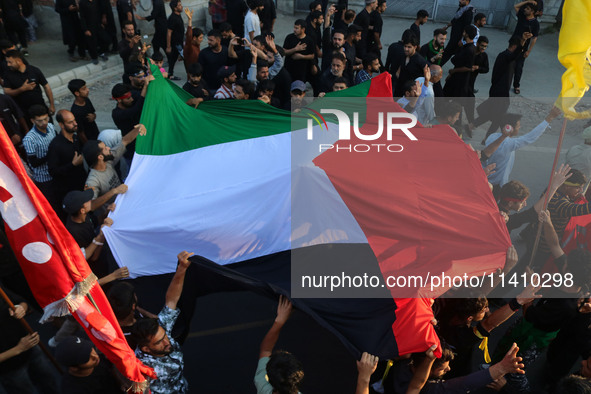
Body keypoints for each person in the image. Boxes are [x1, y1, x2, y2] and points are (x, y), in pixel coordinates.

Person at [131, 251, 194, 394]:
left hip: (181, 387)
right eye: (159, 342)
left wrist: (182, 269)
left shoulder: (161, 327)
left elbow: (171, 299)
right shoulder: (141, 369)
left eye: (165, 336)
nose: (167, 342)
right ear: (146, 348)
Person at [0, 285, 59, 394]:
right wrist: (18, 349)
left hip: (30, 347)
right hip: (9, 368)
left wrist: (21, 308)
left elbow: (21, 302)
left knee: (49, 382)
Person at [475, 33, 531, 143]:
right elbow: (515, 55)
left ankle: (474, 127)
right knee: (499, 117)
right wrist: (523, 42)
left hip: (500, 91)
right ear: (514, 46)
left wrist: (524, 46)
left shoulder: (507, 56)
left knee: (494, 115)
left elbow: (518, 56)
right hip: (500, 92)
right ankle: (488, 137)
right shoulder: (506, 56)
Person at [485, 106, 561, 188]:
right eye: (518, 126)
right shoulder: (509, 144)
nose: (519, 127)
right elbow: (530, 137)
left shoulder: (492, 137)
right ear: (509, 128)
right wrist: (549, 118)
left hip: (485, 178)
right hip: (496, 185)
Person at [82, 124, 145, 213]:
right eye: (105, 148)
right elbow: (89, 206)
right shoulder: (93, 181)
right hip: (112, 214)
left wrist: (138, 129)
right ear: (100, 157)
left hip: (124, 204)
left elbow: (125, 141)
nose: (108, 148)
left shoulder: (108, 160)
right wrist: (113, 191)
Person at [254, 296, 304, 394]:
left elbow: (266, 350)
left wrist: (279, 321)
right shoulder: (262, 384)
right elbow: (266, 350)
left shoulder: (263, 387)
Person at [47, 110, 87, 214]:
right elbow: (53, 171)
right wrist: (72, 165)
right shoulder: (56, 146)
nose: (75, 124)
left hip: (81, 185)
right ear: (61, 125)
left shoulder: (75, 137)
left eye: (74, 121)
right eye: (70, 122)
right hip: (68, 191)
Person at [55, 336, 125, 393]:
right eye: (87, 357)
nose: (95, 356)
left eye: (90, 349)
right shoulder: (74, 390)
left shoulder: (99, 360)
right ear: (74, 368)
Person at [3, 50, 55, 122]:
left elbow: (46, 87)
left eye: (10, 62)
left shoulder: (34, 70)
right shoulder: (8, 75)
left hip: (41, 108)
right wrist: (22, 89)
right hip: (24, 113)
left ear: (19, 61)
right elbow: (7, 92)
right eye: (7, 62)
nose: (8, 65)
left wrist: (52, 105)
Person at [111, 77, 152, 169]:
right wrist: (145, 86)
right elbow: (136, 110)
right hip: (132, 151)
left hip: (143, 145)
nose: (132, 99)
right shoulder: (117, 114)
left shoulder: (130, 103)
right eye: (128, 98)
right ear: (119, 100)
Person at [443, 25, 477, 137]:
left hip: (460, 82)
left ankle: (458, 132)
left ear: (467, 33)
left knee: (457, 107)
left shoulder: (470, 49)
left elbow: (468, 67)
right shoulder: (465, 46)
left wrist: (454, 71)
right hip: (456, 80)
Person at [23, 104, 57, 203]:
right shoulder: (29, 139)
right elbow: (33, 162)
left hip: (56, 172)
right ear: (32, 121)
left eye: (46, 119)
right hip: (44, 178)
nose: (44, 123)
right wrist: (51, 154)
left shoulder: (50, 127)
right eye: (40, 121)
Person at [511, 1, 540, 95]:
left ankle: (516, 85)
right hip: (513, 44)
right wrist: (528, 1)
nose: (524, 9)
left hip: (523, 48)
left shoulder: (535, 23)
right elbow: (515, 6)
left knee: (518, 67)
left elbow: (534, 38)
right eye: (525, 8)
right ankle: (503, 82)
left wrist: (529, 51)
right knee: (509, 63)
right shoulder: (522, 16)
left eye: (527, 9)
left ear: (532, 11)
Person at [440, 0, 474, 66]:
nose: (459, 0)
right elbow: (454, 20)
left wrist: (461, 39)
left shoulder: (468, 13)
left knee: (447, 53)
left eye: (462, 0)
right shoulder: (461, 9)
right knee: (450, 53)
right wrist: (446, 26)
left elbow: (466, 27)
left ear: (467, 1)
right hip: (454, 36)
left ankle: (437, 68)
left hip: (457, 39)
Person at [394, 33, 427, 97]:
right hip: (399, 90)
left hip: (410, 94)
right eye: (405, 46)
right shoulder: (403, 55)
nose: (406, 49)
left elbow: (428, 75)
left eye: (409, 47)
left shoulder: (420, 60)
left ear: (415, 47)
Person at [283, 19, 315, 83]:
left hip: (301, 72)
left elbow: (312, 56)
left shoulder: (309, 40)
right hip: (288, 69)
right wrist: (295, 49)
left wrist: (301, 57)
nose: (294, 30)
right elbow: (284, 52)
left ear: (303, 29)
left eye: (297, 28)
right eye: (294, 27)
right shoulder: (289, 37)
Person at [78, 0, 109, 65]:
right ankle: (94, 57)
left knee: (105, 39)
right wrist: (85, 29)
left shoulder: (96, 1)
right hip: (89, 27)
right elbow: (82, 17)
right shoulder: (82, 3)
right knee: (92, 43)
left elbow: (99, 12)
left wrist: (101, 23)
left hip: (98, 25)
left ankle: (101, 52)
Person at [165, 0, 184, 81]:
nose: (181, 6)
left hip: (180, 42)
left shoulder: (178, 15)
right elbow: (169, 32)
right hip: (176, 44)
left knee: (174, 59)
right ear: (175, 8)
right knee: (185, 57)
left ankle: (170, 74)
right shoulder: (173, 18)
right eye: (179, 5)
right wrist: (168, 46)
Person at [182, 9, 203, 73]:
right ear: (194, 38)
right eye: (200, 38)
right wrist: (189, 20)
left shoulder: (197, 45)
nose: (202, 40)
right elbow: (188, 36)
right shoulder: (189, 47)